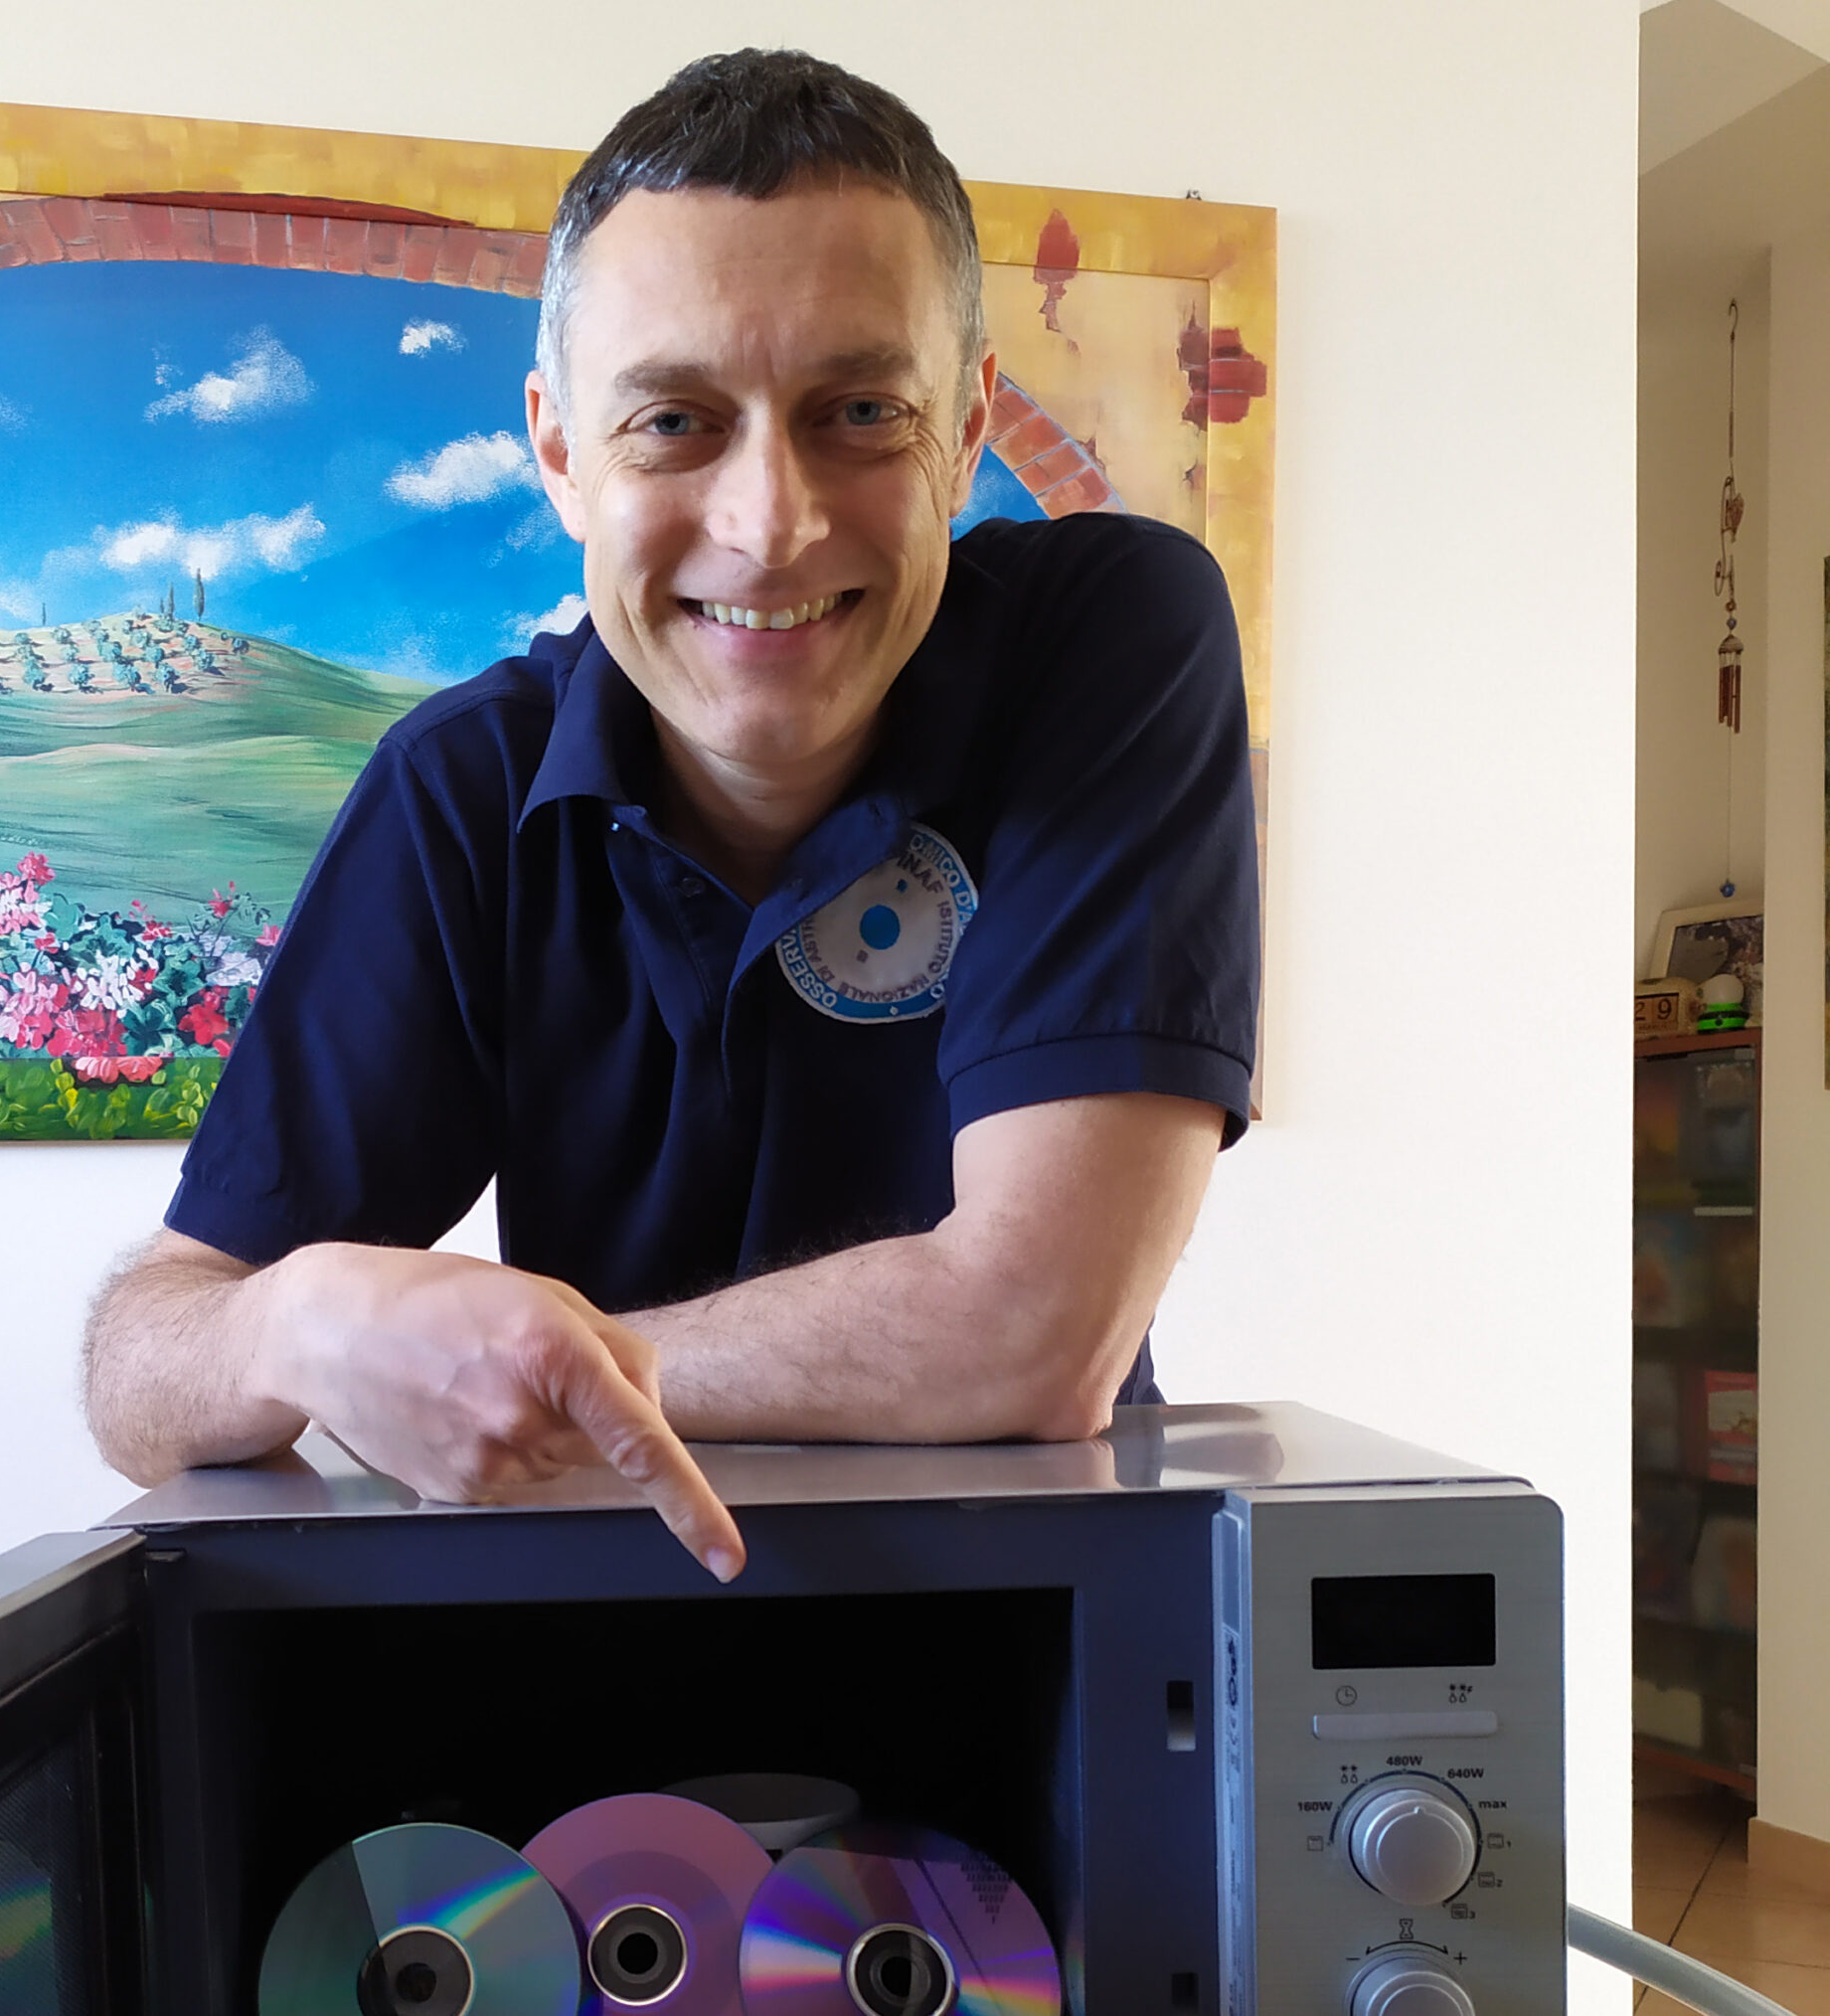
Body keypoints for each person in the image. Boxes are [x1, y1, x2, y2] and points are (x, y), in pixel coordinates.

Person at [83, 49, 1259, 1582]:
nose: (771, 525)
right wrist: (291, 1323)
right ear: (561, 453)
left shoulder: (1115, 636)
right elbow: (142, 1368)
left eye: (860, 410)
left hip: (1058, 1640)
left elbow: (1033, 1338)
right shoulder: (461, 786)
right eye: (674, 423)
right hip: (596, 1658)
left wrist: (533, 1376)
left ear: (968, 430)